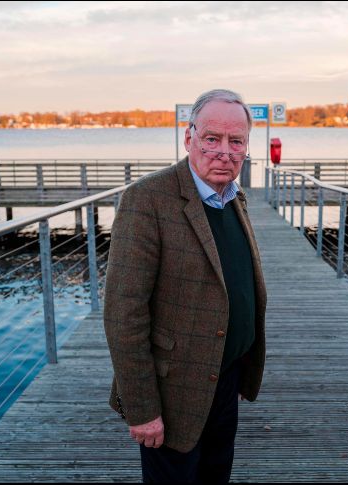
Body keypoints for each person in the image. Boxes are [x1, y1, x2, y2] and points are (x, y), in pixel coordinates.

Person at [103, 88, 267, 483]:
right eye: (212, 139)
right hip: (172, 390)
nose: (224, 152)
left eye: (236, 141)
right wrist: (143, 409)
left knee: (215, 476)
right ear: (189, 137)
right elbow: (123, 314)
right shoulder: (147, 200)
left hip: (224, 379)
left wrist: (245, 370)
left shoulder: (232, 196)